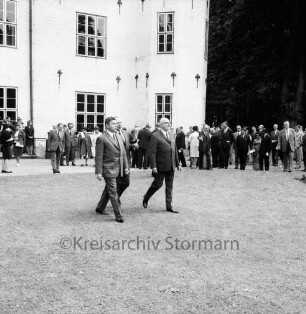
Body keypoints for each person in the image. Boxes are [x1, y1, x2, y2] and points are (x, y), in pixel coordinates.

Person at [143, 117, 181, 213]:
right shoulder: (155, 136)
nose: (169, 124)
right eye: (166, 123)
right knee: (158, 184)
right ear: (161, 125)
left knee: (169, 186)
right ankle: (146, 197)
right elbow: (152, 153)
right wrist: (154, 166)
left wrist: (177, 163)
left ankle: (169, 206)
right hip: (160, 165)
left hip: (171, 165)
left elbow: (174, 150)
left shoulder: (172, 134)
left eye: (169, 122)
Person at [95, 117, 129, 223]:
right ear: (107, 126)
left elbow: (123, 153)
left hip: (120, 168)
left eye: (116, 123)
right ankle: (118, 215)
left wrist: (126, 167)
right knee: (113, 192)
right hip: (108, 169)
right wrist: (98, 172)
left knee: (109, 190)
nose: (116, 125)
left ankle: (100, 208)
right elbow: (99, 157)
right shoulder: (102, 138)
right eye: (113, 123)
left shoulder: (118, 136)